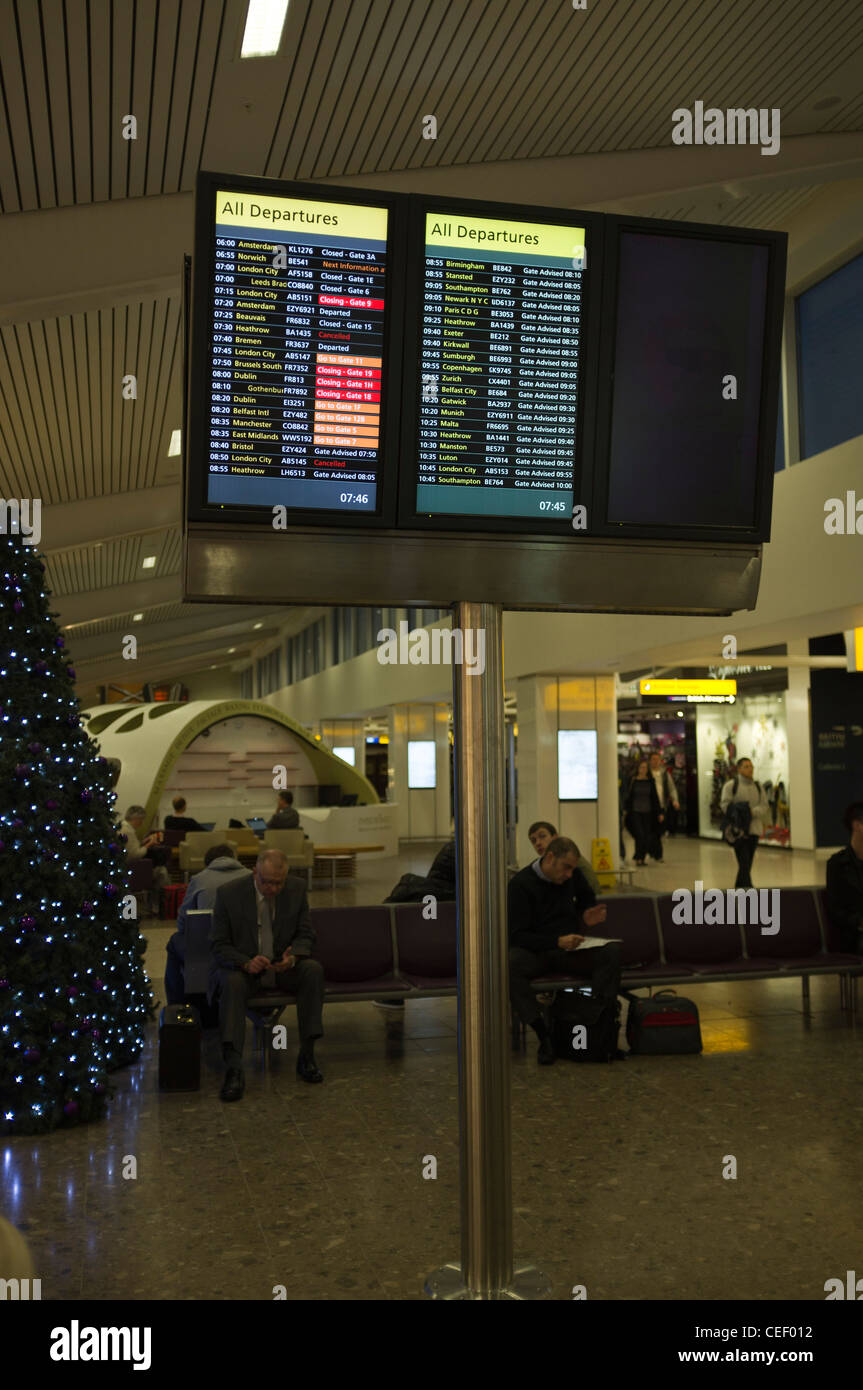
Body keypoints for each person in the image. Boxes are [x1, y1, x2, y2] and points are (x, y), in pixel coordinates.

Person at [210, 849, 324, 1101]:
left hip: (281, 968)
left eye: (278, 883)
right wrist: (245, 963)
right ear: (255, 874)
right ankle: (234, 1068)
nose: (272, 888)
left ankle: (307, 1054)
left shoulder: (296, 889)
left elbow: (306, 934)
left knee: (312, 970)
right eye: (267, 882)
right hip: (245, 970)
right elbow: (219, 945)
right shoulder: (229, 895)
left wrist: (293, 956)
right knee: (231, 983)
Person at [508, 835, 621, 1065]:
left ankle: (598, 1024)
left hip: (569, 950)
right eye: (566, 867)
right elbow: (517, 935)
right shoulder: (521, 885)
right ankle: (543, 1034)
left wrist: (586, 913)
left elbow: (587, 897)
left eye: (572, 869)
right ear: (550, 858)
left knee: (610, 953)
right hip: (538, 951)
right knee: (509, 965)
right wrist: (556, 941)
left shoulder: (573, 876)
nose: (569, 874)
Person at [164, 844, 252, 1005]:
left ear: (208, 863)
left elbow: (184, 922)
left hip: (209, 947)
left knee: (174, 941)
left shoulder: (199, 879)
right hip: (247, 947)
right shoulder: (252, 876)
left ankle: (177, 1005)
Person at [719, 758, 769, 888]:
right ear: (739, 769)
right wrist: (739, 813)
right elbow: (724, 805)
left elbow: (764, 806)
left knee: (747, 863)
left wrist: (752, 812)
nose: (750, 769)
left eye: (751, 766)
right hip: (738, 831)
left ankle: (740, 888)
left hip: (754, 830)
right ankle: (748, 888)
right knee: (744, 861)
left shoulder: (758, 787)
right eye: (746, 766)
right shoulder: (731, 786)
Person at [825, 802, 863, 953]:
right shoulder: (837, 864)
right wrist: (859, 921)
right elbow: (834, 910)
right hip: (852, 936)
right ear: (857, 825)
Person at [119, 804, 169, 914]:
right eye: (141, 820)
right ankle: (158, 906)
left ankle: (153, 905)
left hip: (126, 868)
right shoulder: (128, 832)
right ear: (137, 819)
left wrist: (144, 841)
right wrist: (149, 844)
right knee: (162, 872)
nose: (142, 823)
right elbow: (135, 854)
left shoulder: (122, 827)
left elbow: (131, 848)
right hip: (133, 871)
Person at [527, 820, 601, 894]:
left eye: (542, 836)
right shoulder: (536, 866)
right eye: (533, 840)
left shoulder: (573, 860)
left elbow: (594, 893)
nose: (538, 843)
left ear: (555, 837)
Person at [623, 760, 662, 866]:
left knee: (646, 835)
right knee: (639, 835)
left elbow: (655, 798)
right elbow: (629, 797)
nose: (643, 770)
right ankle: (638, 857)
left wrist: (659, 812)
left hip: (648, 812)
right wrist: (625, 810)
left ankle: (641, 857)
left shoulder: (650, 781)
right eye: (641, 767)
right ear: (638, 769)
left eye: (645, 767)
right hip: (635, 812)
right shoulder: (633, 781)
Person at [648, 751, 680, 858]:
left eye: (657, 759)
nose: (655, 762)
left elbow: (671, 788)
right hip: (648, 807)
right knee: (650, 830)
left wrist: (675, 800)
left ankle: (656, 852)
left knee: (658, 830)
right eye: (653, 759)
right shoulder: (647, 774)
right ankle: (656, 853)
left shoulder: (665, 774)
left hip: (661, 806)